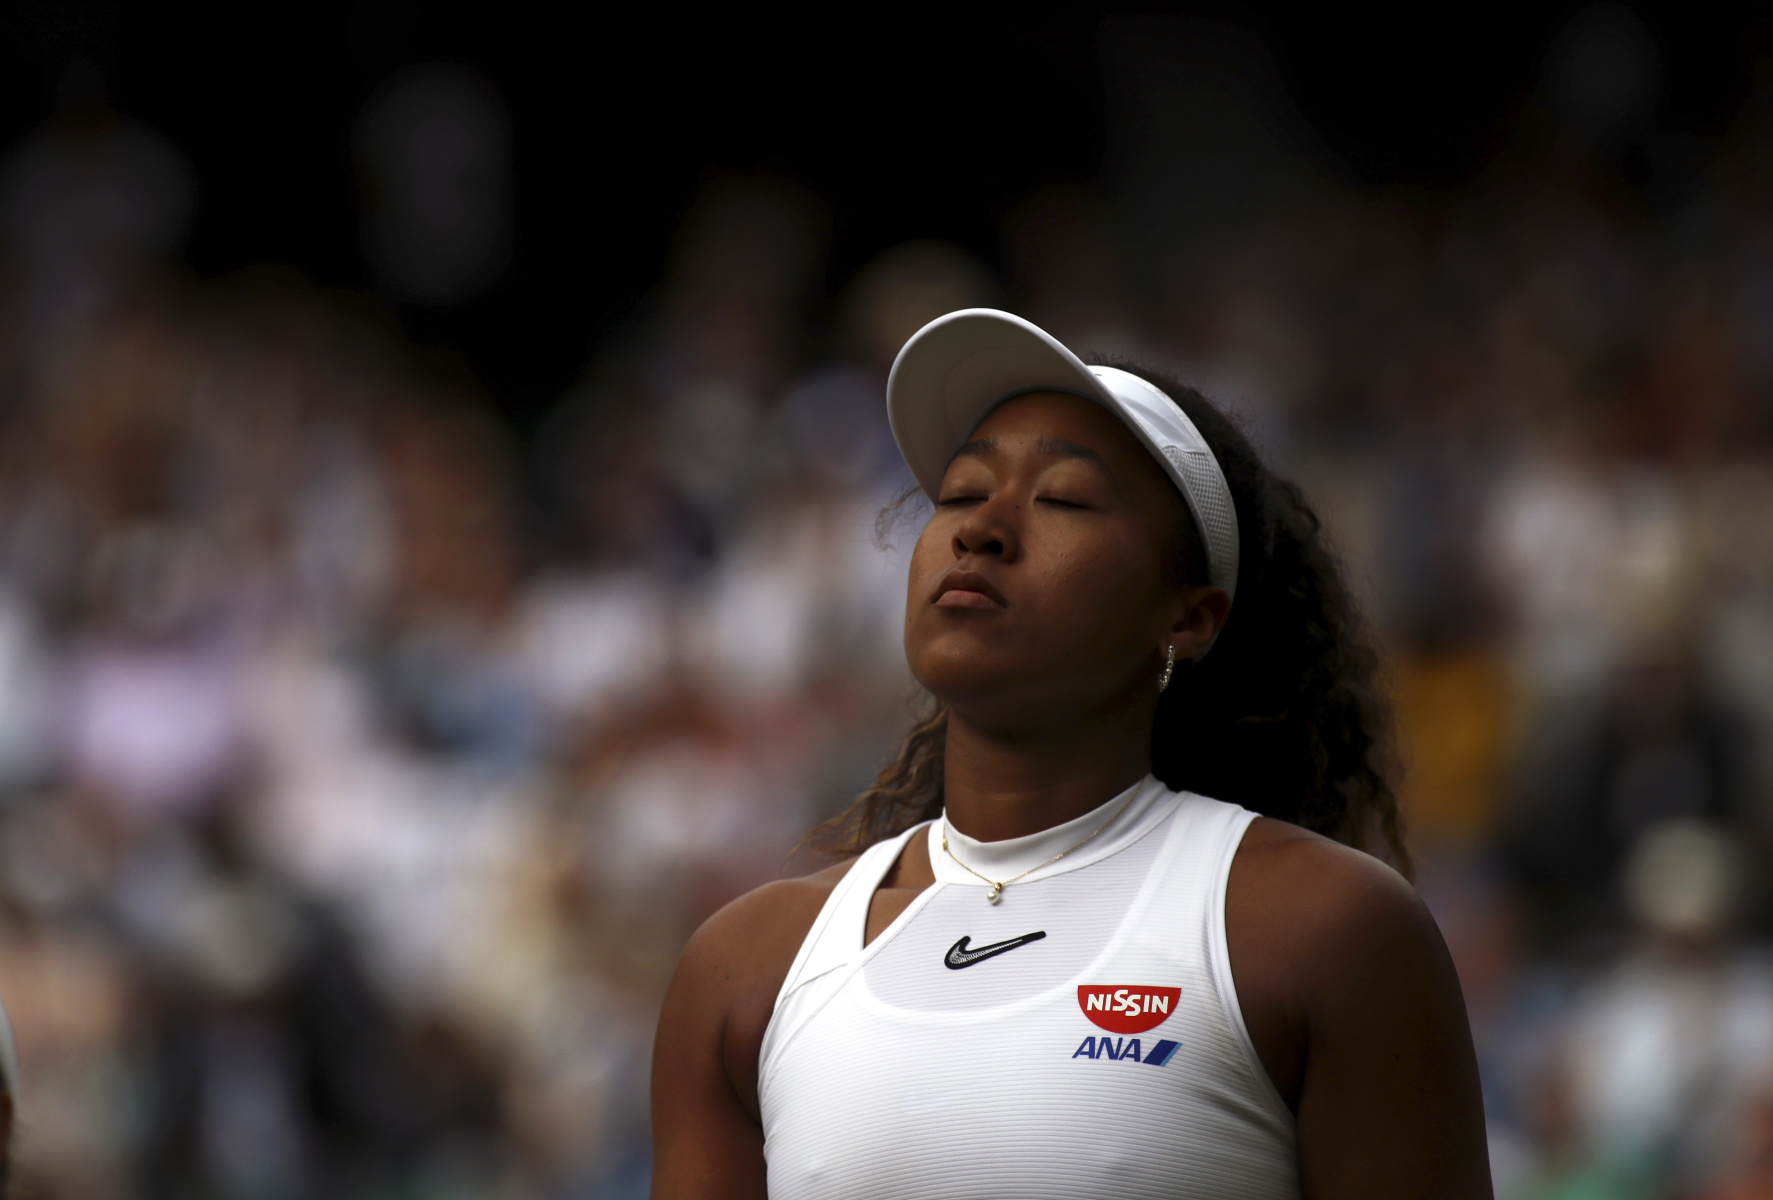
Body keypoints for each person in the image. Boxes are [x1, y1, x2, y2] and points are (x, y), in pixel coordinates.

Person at [651, 309, 1491, 1198]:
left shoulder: (1325, 928)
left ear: (1187, 618)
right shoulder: (746, 967)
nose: (982, 530)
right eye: (961, 495)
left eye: (1062, 500)